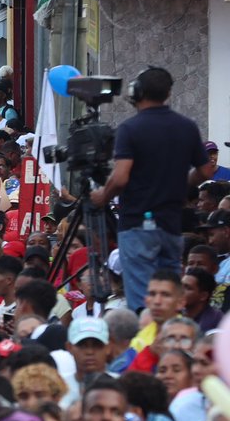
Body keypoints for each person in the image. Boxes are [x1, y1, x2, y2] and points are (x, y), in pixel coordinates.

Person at [89, 66, 213, 312]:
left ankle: (145, 345)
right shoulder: (187, 126)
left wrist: (102, 196)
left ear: (137, 92)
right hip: (171, 224)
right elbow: (205, 171)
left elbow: (121, 176)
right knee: (168, 297)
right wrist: (182, 185)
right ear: (167, 94)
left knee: (142, 301)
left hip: (137, 225)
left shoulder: (130, 128)